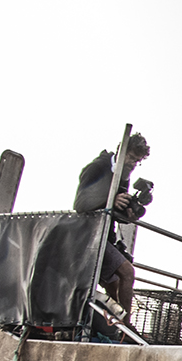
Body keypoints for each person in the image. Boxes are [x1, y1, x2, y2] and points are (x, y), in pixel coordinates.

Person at [73, 132, 151, 318]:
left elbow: (115, 211)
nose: (133, 164)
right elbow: (80, 204)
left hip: (104, 235)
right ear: (121, 151)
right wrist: (112, 200)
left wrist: (129, 213)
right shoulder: (97, 167)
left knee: (115, 286)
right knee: (127, 272)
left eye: (137, 161)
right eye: (132, 158)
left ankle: (111, 327)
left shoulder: (123, 175)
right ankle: (126, 326)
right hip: (88, 235)